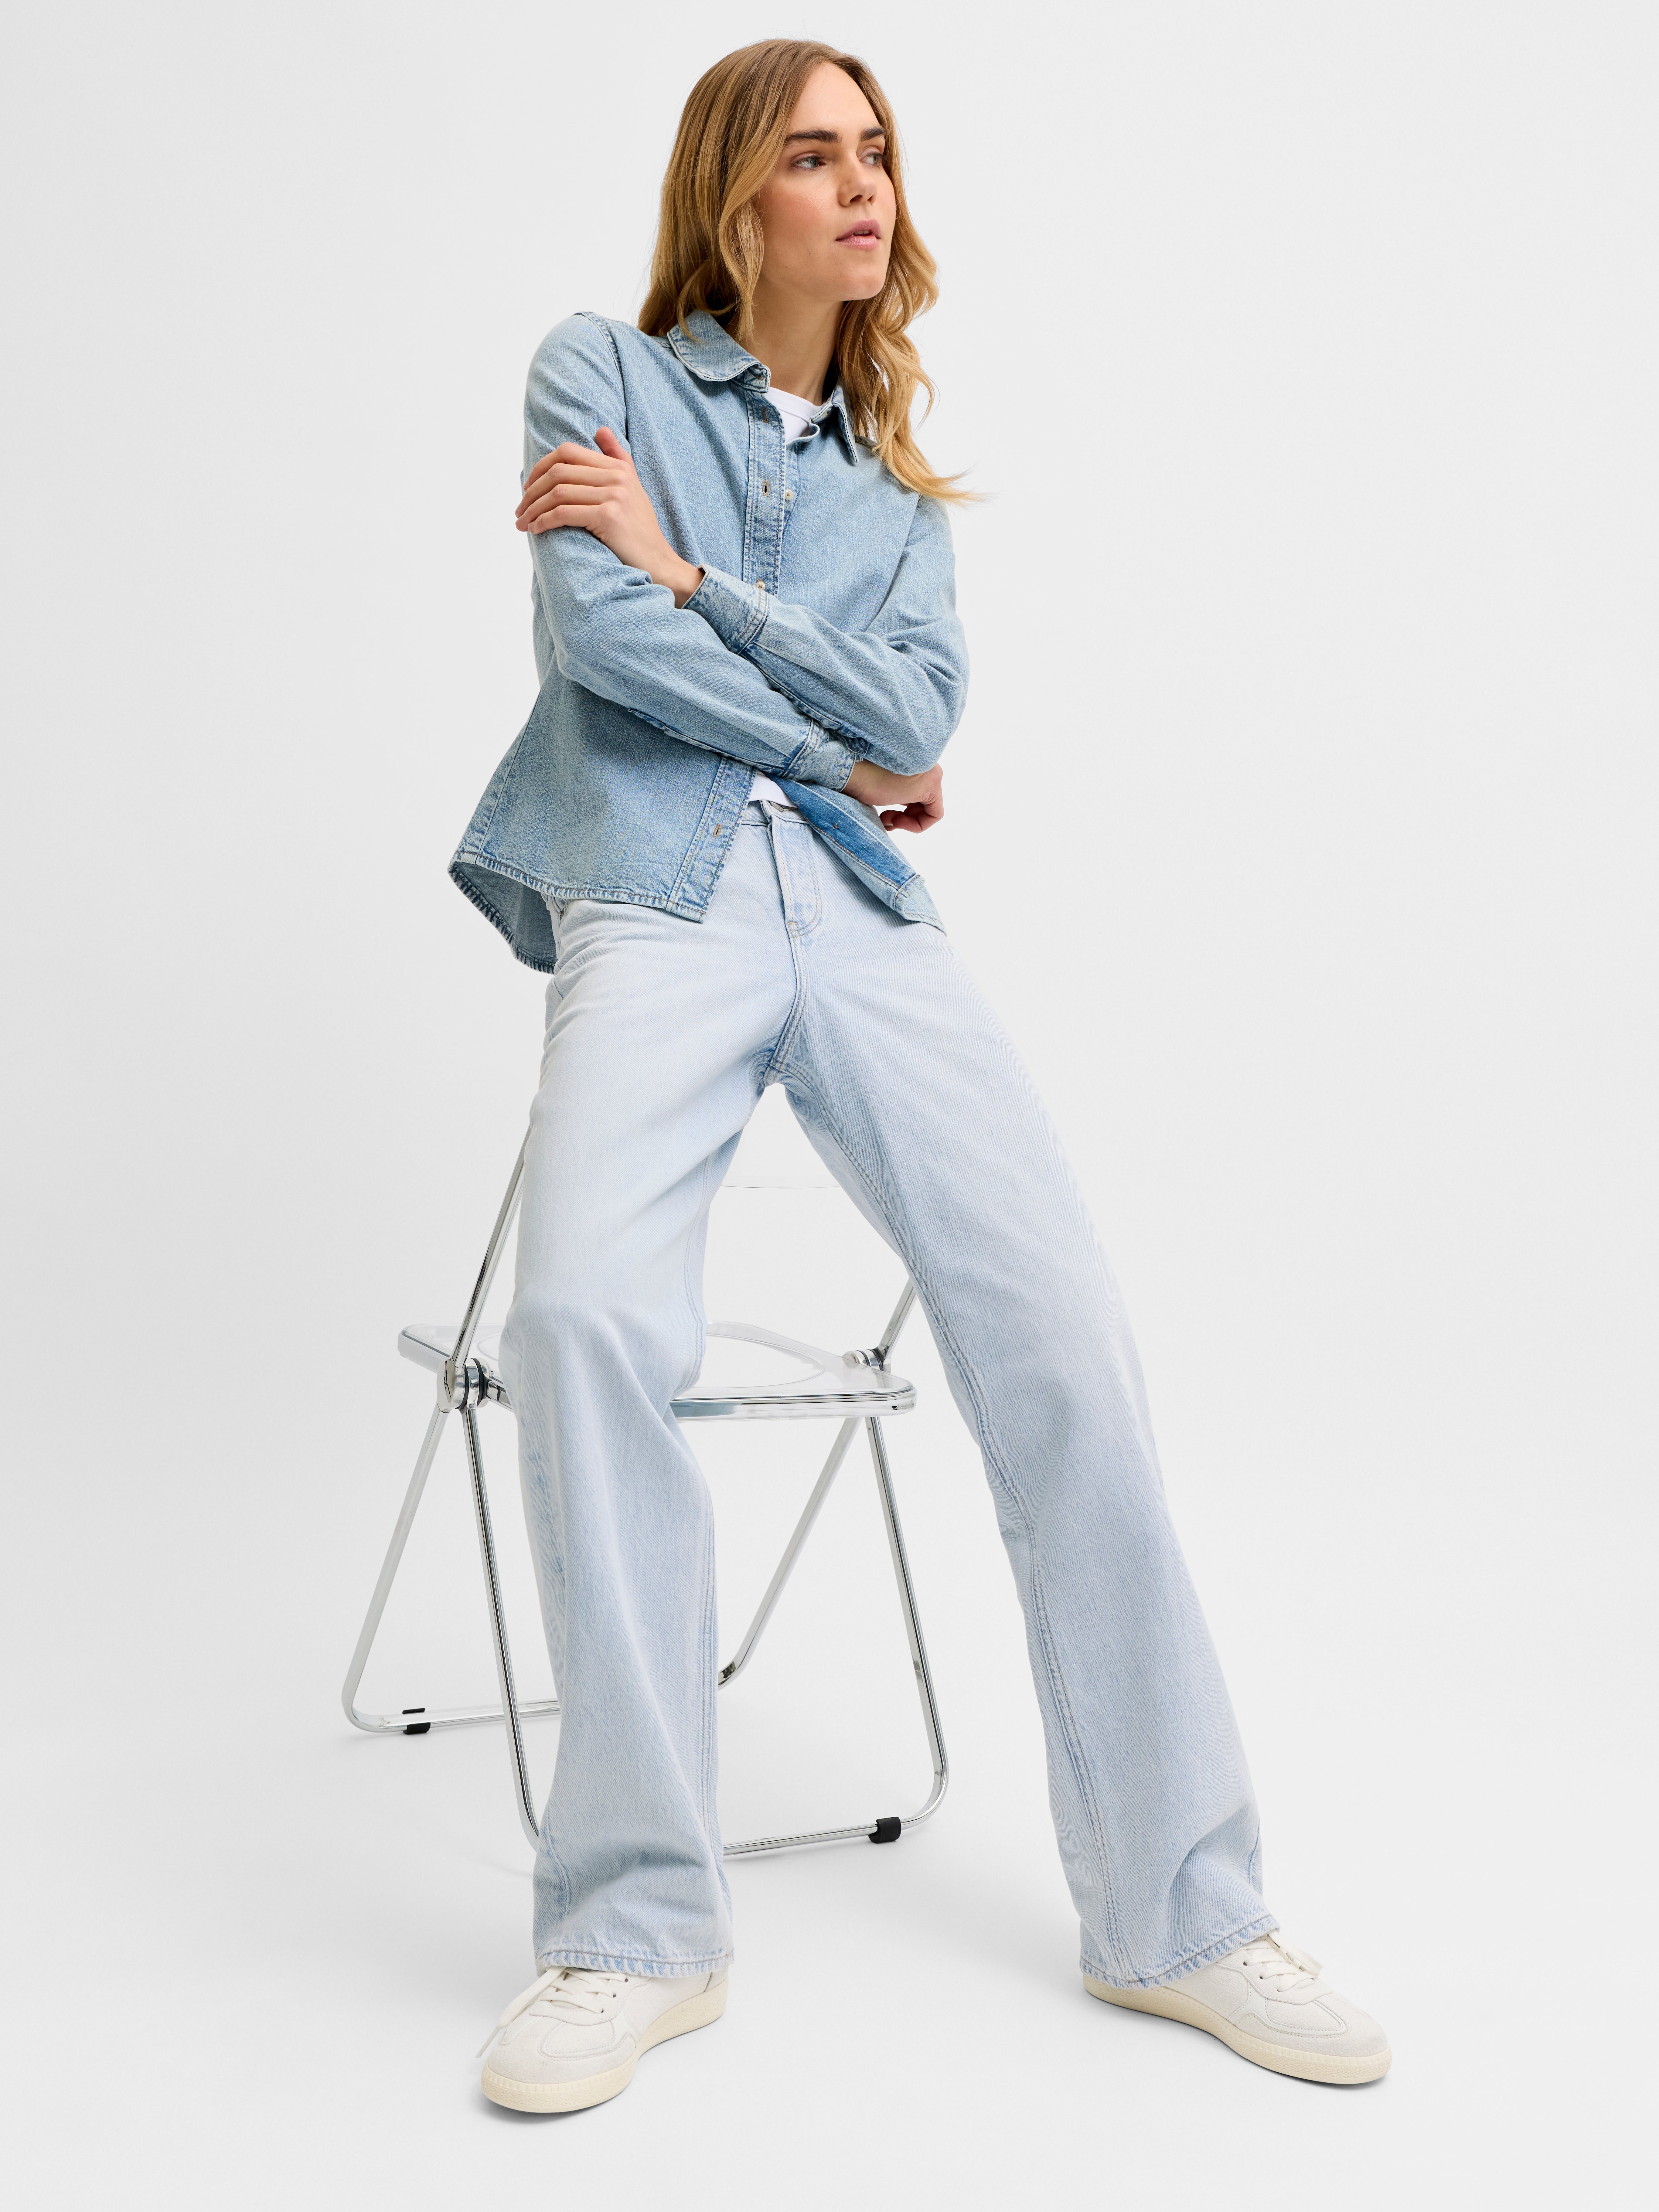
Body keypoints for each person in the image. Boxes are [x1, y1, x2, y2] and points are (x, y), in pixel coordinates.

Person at [454, 38, 1390, 2112]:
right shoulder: (596, 371)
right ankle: (632, 1927)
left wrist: (699, 581)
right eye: (814, 155)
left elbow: (917, 723)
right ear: (733, 196)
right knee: (586, 1319)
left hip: (864, 910)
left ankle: (1182, 1910)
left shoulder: (897, 494)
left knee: (1063, 1337)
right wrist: (823, 719)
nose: (861, 186)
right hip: (655, 891)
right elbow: (611, 651)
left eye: (875, 151)